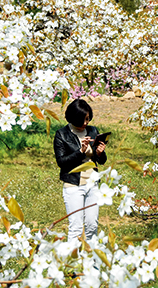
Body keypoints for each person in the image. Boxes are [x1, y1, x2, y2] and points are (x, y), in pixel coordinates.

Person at [53, 99, 107, 240]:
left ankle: (91, 261)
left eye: (88, 119)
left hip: (92, 184)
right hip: (74, 186)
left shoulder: (93, 131)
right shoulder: (62, 135)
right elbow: (62, 162)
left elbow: (100, 160)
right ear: (72, 118)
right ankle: (73, 260)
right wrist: (80, 151)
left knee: (92, 225)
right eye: (81, 120)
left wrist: (100, 153)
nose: (85, 124)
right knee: (76, 227)